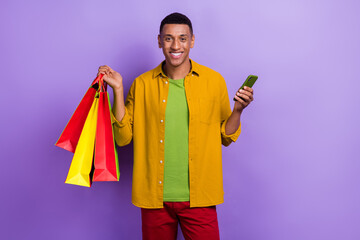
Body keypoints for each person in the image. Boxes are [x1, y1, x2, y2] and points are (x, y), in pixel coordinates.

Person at [98, 12, 254, 240]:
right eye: (169, 38)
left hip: (200, 197)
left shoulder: (214, 81)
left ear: (192, 41)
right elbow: (123, 138)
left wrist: (238, 110)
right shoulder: (142, 84)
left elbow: (226, 137)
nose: (175, 45)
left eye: (182, 38)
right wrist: (118, 90)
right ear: (159, 41)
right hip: (154, 198)